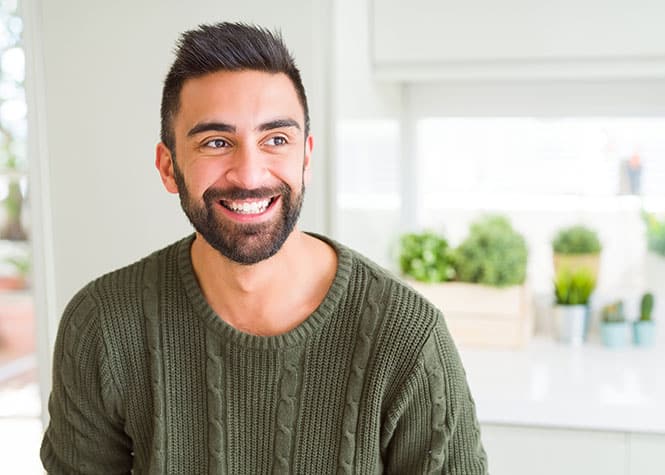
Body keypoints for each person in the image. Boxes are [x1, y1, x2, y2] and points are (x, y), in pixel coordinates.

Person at [40, 22, 487, 474]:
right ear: (168, 167)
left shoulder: (408, 338)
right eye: (216, 142)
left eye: (276, 140)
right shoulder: (102, 326)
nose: (250, 174)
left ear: (306, 157)